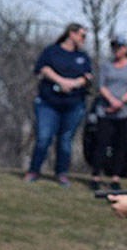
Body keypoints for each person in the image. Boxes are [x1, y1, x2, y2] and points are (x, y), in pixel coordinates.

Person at [25, 22, 92, 185]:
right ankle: (33, 171)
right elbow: (42, 69)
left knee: (65, 141)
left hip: (73, 104)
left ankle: (61, 173)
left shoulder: (83, 57)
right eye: (82, 35)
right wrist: (61, 81)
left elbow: (87, 77)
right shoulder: (51, 51)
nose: (84, 39)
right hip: (48, 103)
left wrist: (73, 83)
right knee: (43, 138)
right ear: (71, 34)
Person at [91, 35, 127, 189]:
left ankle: (115, 178)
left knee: (121, 145)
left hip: (124, 112)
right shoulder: (106, 66)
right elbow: (101, 86)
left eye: (119, 47)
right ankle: (95, 176)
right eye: (114, 48)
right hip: (105, 110)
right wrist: (112, 101)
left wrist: (120, 102)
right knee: (101, 142)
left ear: (126, 49)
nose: (116, 51)